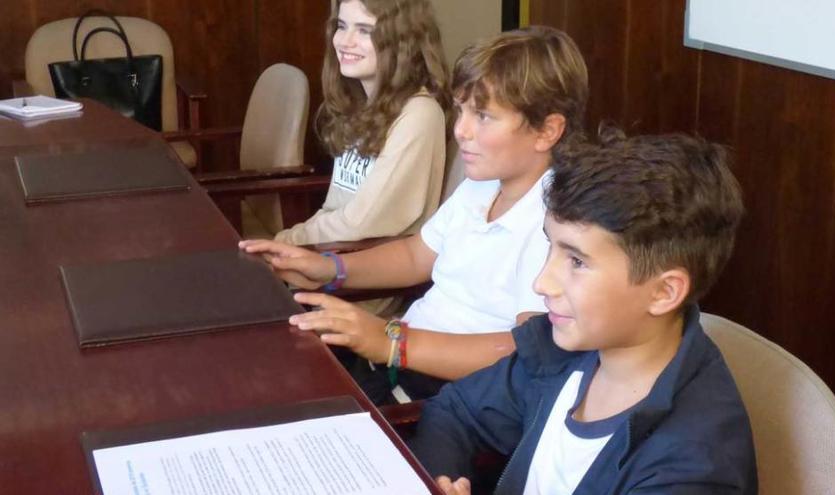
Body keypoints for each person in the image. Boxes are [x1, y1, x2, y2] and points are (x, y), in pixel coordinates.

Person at [240, 26, 590, 404]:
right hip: (402, 353)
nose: (461, 130)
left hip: (448, 391)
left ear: (547, 131)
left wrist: (392, 343)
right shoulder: (484, 184)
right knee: (261, 365)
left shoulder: (554, 224)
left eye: (484, 116)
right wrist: (329, 268)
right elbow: (414, 256)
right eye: (461, 110)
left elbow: (525, 353)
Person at [410, 127, 757, 494]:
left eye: (576, 260)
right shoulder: (563, 348)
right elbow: (455, 412)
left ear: (663, 292)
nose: (543, 282)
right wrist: (442, 481)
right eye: (551, 246)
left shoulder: (695, 466)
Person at [273, 0, 450, 245]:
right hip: (333, 252)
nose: (344, 41)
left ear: (403, 41)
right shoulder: (361, 105)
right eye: (342, 26)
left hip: (367, 267)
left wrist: (288, 240)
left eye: (365, 30)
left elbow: (360, 222)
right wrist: (290, 240)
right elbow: (335, 208)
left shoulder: (419, 114)